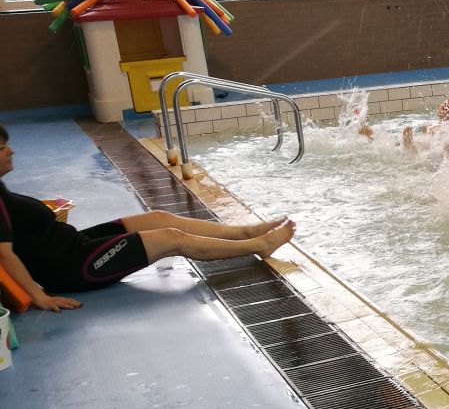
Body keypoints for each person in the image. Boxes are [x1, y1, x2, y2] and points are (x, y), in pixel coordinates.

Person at [0, 123, 295, 312]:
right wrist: (39, 297)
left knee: (156, 218)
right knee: (171, 238)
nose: (11, 151)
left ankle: (245, 232)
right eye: (2, 148)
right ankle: (259, 245)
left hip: (75, 245)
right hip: (73, 268)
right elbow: (4, 253)